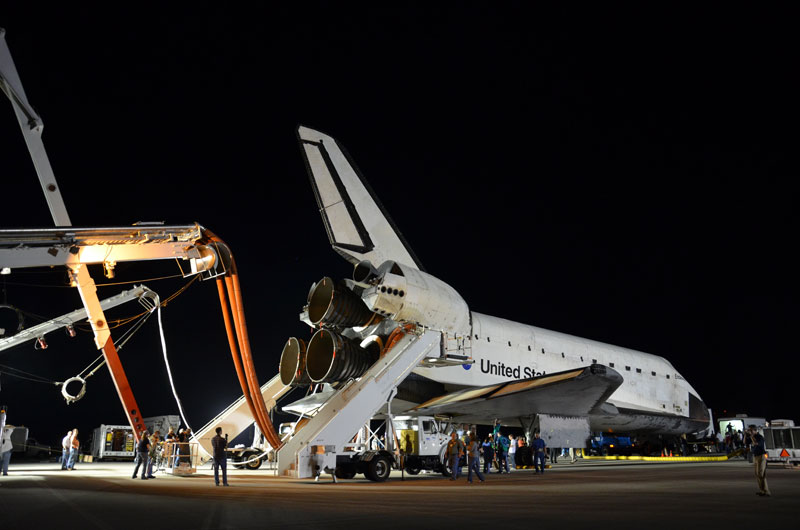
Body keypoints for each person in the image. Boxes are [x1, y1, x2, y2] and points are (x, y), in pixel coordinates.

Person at [748, 425, 770, 497]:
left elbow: (756, 443)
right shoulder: (752, 437)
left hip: (762, 456)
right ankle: (762, 490)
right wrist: (745, 435)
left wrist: (751, 437)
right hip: (756, 456)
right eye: (749, 430)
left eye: (751, 430)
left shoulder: (760, 437)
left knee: (761, 473)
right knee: (757, 474)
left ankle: (766, 491)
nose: (750, 432)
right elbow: (745, 442)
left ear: (755, 430)